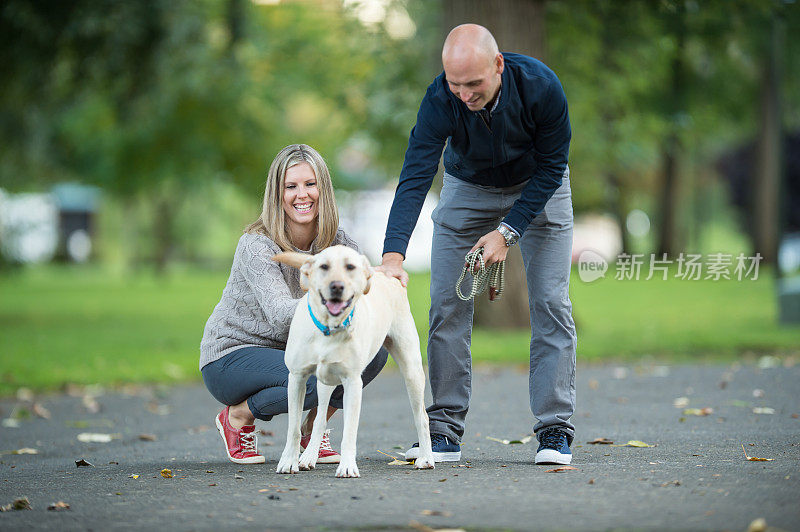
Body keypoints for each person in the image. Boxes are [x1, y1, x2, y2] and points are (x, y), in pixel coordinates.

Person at [378, 24, 577, 465]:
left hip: (539, 187)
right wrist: (392, 255)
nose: (464, 95)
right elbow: (415, 175)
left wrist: (508, 232)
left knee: (550, 302)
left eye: (474, 84)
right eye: (455, 84)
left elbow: (552, 166)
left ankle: (554, 429)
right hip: (467, 187)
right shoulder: (439, 100)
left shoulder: (542, 88)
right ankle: (444, 429)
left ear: (498, 66)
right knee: (446, 302)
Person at [200, 144, 388, 464]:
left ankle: (312, 431)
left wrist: (384, 279)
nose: (302, 194)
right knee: (318, 378)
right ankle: (237, 417)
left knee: (373, 353)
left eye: (310, 184)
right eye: (291, 186)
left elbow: (364, 289)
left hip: (298, 349)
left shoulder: (337, 242)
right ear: (278, 194)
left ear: (323, 189)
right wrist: (335, 299)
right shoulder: (256, 244)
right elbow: (279, 315)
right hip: (233, 356)